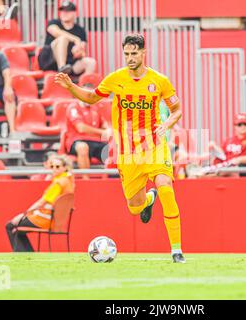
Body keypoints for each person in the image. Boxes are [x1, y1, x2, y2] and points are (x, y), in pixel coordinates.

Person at [55, 33, 186, 263]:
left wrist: (167, 124)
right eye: (126, 53)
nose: (130, 58)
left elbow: (177, 109)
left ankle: (176, 250)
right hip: (127, 153)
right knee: (135, 207)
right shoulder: (116, 79)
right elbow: (92, 98)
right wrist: (70, 87)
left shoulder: (159, 80)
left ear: (143, 52)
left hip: (154, 146)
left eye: (134, 53)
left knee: (166, 187)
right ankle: (148, 200)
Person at [5, 155, 75, 252]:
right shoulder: (69, 182)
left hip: (44, 219)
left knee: (10, 225)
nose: (54, 169)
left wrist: (24, 214)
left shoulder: (59, 183)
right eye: (52, 166)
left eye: (57, 166)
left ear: (65, 168)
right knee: (19, 231)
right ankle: (28, 254)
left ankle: (22, 255)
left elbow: (42, 202)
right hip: (54, 220)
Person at [39, 0, 96, 76]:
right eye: (62, 11)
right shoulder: (54, 22)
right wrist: (75, 39)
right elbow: (53, 30)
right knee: (63, 38)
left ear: (74, 13)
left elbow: (82, 51)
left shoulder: (80, 30)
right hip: (50, 61)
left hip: (70, 64)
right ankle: (62, 68)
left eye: (67, 11)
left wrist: (78, 52)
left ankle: (83, 85)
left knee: (91, 62)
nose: (64, 13)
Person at [204, 113, 246, 177]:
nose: (243, 126)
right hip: (227, 167)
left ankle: (209, 175)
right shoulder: (229, 140)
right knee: (206, 169)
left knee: (231, 170)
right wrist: (214, 146)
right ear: (235, 126)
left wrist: (238, 160)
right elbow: (222, 155)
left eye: (245, 124)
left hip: (245, 169)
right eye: (239, 124)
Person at [65, 100, 111, 174]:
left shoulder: (95, 107)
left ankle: (112, 177)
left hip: (97, 141)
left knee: (113, 149)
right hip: (77, 140)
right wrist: (102, 132)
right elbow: (81, 128)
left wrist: (108, 129)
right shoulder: (73, 107)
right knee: (82, 147)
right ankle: (85, 179)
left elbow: (104, 124)